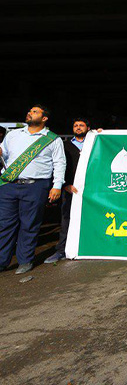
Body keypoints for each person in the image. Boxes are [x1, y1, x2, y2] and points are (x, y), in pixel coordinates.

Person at [0, 105, 66, 274]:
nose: (29, 113)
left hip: (36, 186)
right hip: (9, 185)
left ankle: (25, 260)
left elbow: (59, 163)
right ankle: (1, 261)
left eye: (35, 112)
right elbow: (4, 155)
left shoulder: (52, 139)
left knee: (29, 224)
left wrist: (57, 186)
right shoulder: (13, 135)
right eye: (29, 111)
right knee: (4, 224)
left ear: (44, 118)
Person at [45, 118, 90, 264]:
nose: (78, 127)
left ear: (88, 128)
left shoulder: (95, 144)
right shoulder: (63, 146)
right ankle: (61, 250)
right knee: (67, 219)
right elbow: (57, 166)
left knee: (91, 217)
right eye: (75, 125)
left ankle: (90, 248)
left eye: (81, 125)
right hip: (70, 189)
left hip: (91, 189)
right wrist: (65, 185)